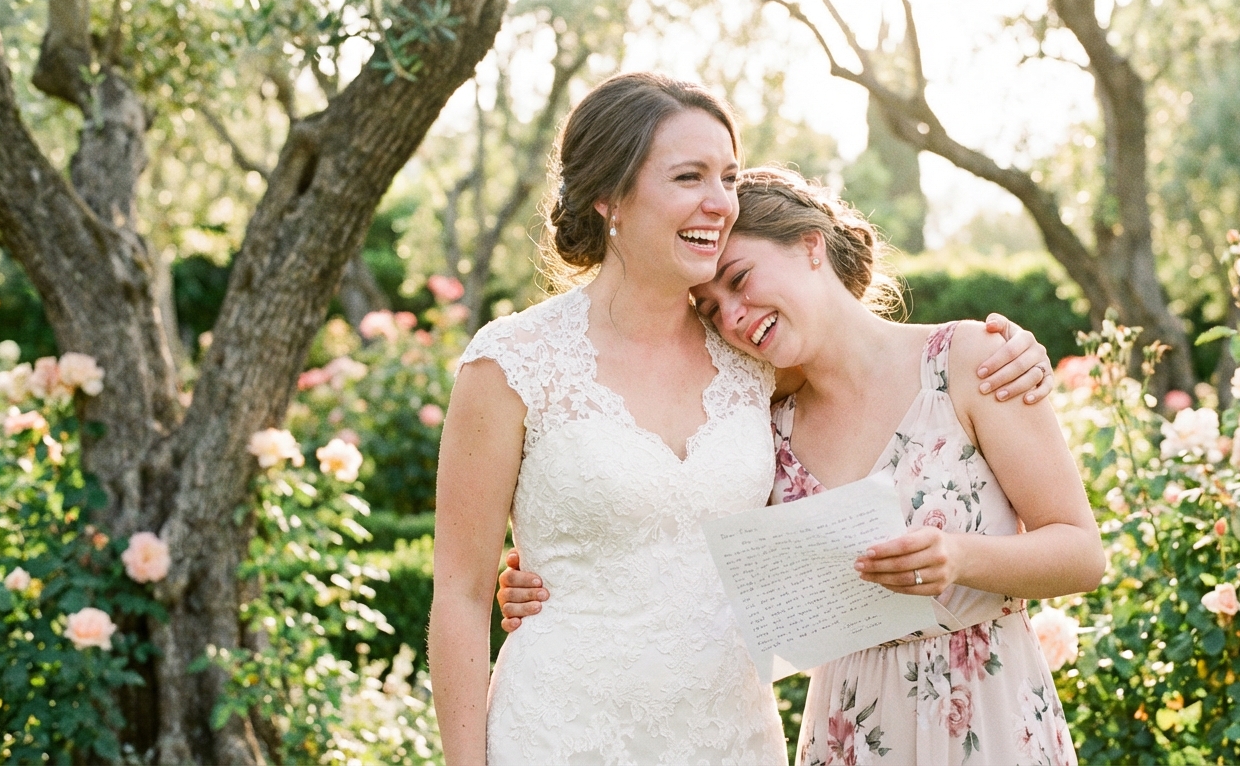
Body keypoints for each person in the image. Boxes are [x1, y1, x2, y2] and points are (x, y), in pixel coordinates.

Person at [430, 72, 1052, 766]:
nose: (719, 202)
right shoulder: (510, 363)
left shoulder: (757, 366)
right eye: (689, 176)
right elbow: (458, 593)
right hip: (560, 727)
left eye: (727, 177)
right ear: (610, 197)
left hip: (728, 735)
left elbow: (881, 384)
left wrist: (1018, 352)